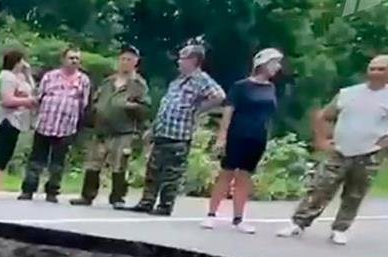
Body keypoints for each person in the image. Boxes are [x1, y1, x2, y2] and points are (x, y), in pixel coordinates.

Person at [277, 55, 388, 245]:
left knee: (355, 193)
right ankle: (298, 223)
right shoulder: (349, 93)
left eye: (381, 69)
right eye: (372, 68)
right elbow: (323, 116)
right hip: (341, 150)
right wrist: (321, 140)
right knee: (321, 187)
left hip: (369, 152)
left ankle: (340, 228)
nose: (375, 73)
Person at [130, 44, 225, 215]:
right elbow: (165, 107)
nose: (179, 62)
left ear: (193, 60)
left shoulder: (200, 79)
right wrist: (152, 129)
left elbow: (219, 96)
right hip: (163, 131)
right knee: (153, 169)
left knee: (171, 173)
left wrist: (199, 108)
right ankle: (147, 201)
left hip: (179, 135)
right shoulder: (177, 81)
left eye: (183, 58)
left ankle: (165, 205)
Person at [201, 48, 283, 233]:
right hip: (237, 134)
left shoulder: (271, 88)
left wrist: (267, 138)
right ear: (263, 64)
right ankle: (211, 215)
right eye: (274, 63)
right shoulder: (241, 86)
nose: (277, 67)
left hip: (257, 137)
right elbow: (228, 112)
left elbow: (268, 116)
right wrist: (222, 137)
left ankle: (238, 219)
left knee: (245, 177)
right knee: (226, 173)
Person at [70, 44, 149, 208]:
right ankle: (87, 195)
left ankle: (117, 197)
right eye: (123, 59)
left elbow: (145, 108)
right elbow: (96, 100)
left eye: (129, 59)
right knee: (93, 162)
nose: (125, 62)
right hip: (101, 130)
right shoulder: (108, 81)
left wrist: (130, 106)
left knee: (119, 164)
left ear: (136, 62)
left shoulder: (139, 84)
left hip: (124, 131)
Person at [18, 48, 90, 203]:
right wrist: (33, 119)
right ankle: (28, 190)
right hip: (45, 124)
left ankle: (52, 192)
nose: (74, 61)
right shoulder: (50, 77)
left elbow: (83, 104)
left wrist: (78, 126)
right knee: (36, 160)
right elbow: (38, 98)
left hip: (66, 127)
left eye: (77, 58)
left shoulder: (83, 80)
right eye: (71, 58)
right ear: (63, 59)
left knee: (58, 163)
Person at [0, 49, 36, 195]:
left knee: (7, 151)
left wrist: (28, 74)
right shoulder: (7, 77)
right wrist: (28, 101)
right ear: (17, 61)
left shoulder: (19, 77)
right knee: (2, 152)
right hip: (7, 119)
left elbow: (31, 89)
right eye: (22, 61)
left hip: (18, 120)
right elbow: (7, 100)